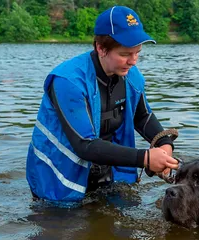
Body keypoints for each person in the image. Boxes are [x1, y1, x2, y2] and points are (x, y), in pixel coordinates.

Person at [26, 6, 179, 202]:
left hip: (104, 167)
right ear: (101, 48)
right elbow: (85, 145)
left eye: (137, 53)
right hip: (58, 174)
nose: (133, 61)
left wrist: (164, 144)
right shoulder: (68, 81)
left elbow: (142, 117)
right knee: (63, 228)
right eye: (125, 54)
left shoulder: (130, 75)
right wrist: (145, 158)